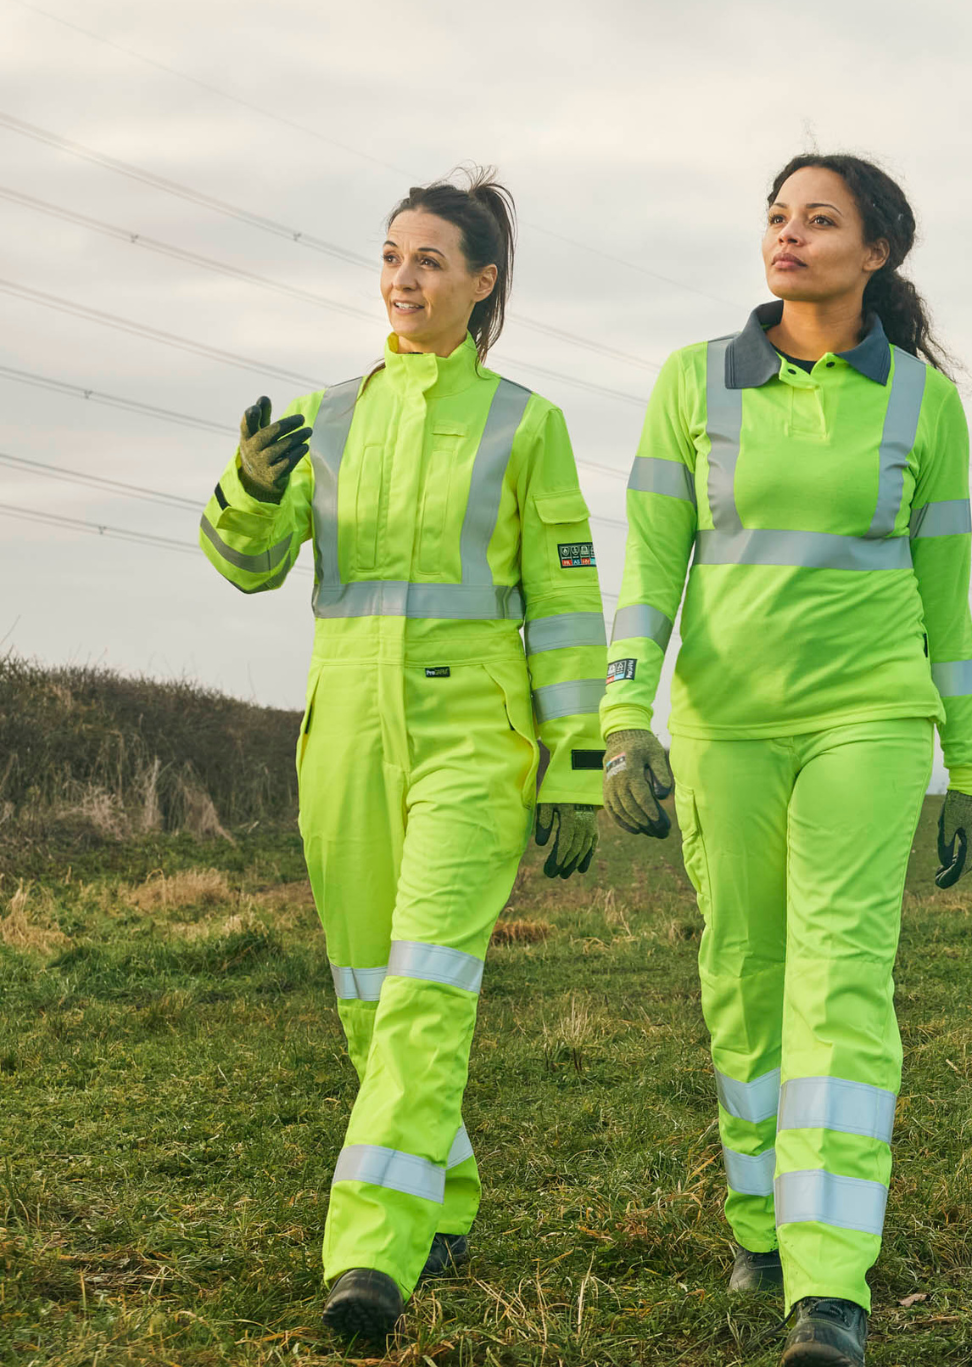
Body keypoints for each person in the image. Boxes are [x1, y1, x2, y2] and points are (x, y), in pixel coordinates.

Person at [197, 168, 609, 1340]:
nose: (403, 277)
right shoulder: (328, 414)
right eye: (390, 255)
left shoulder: (528, 423)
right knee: (369, 994)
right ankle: (444, 1190)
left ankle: (369, 1249)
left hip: (473, 734)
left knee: (425, 989)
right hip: (343, 731)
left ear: (482, 285)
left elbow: (567, 607)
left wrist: (573, 766)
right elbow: (251, 562)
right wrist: (247, 488)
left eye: (430, 260)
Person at [601, 152, 972, 1367]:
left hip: (868, 718)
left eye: (820, 220)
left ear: (876, 251)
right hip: (724, 723)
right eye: (777, 217)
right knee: (746, 969)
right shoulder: (692, 380)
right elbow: (651, 563)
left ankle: (829, 1282)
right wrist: (624, 714)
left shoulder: (923, 405)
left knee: (842, 980)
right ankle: (758, 1218)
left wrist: (965, 765)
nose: (790, 236)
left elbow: (947, 597)